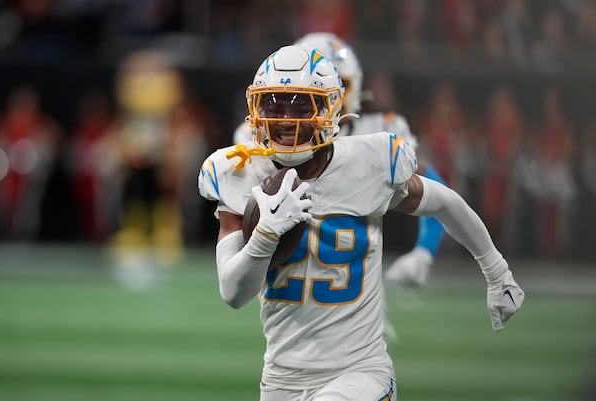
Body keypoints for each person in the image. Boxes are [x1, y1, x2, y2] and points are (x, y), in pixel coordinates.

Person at [199, 45, 525, 401]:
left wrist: (497, 273)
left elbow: (444, 202)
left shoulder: (369, 163)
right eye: (274, 105)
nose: (286, 120)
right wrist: (265, 235)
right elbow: (233, 293)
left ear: (329, 109)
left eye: (301, 105)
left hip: (359, 373)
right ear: (256, 109)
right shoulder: (239, 173)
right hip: (281, 380)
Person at [233, 32, 446, 288]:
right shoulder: (266, 134)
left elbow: (433, 187)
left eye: (341, 82)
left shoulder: (380, 133)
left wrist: (424, 251)